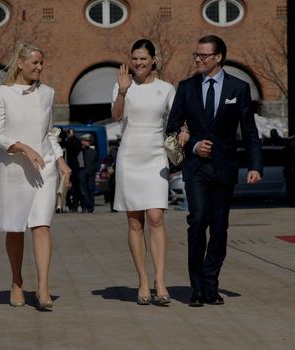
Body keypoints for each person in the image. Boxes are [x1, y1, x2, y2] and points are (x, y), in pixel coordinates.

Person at [166, 35, 262, 306]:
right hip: (196, 168)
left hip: (225, 168)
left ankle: (211, 285)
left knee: (219, 229)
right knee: (197, 221)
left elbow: (250, 131)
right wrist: (194, 145)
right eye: (196, 55)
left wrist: (255, 165)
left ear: (218, 57)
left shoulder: (239, 88)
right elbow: (172, 126)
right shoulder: (186, 87)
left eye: (203, 56)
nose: (198, 59)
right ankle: (196, 288)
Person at [0, 42, 71, 309]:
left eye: (41, 63)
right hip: (14, 168)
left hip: (44, 165)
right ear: (20, 63)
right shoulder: (1, 93)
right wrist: (23, 147)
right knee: (15, 227)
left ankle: (43, 288)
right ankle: (17, 282)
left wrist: (59, 160)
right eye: (34, 62)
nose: (39, 67)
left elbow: (50, 132)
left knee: (42, 224)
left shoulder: (48, 93)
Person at [112, 39, 175, 305]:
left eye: (143, 58)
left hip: (156, 155)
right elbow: (116, 116)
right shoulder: (121, 85)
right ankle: (143, 281)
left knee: (156, 217)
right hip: (129, 155)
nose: (138, 63)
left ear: (153, 59)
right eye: (134, 58)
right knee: (135, 221)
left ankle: (160, 281)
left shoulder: (167, 89)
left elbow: (177, 121)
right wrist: (123, 92)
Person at [77, 133, 99, 213]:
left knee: (91, 190)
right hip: (82, 174)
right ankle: (85, 207)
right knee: (83, 191)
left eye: (89, 141)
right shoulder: (79, 151)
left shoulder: (93, 152)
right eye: (86, 141)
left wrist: (94, 170)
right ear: (82, 141)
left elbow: (97, 162)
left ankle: (91, 208)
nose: (88, 142)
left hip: (91, 174)